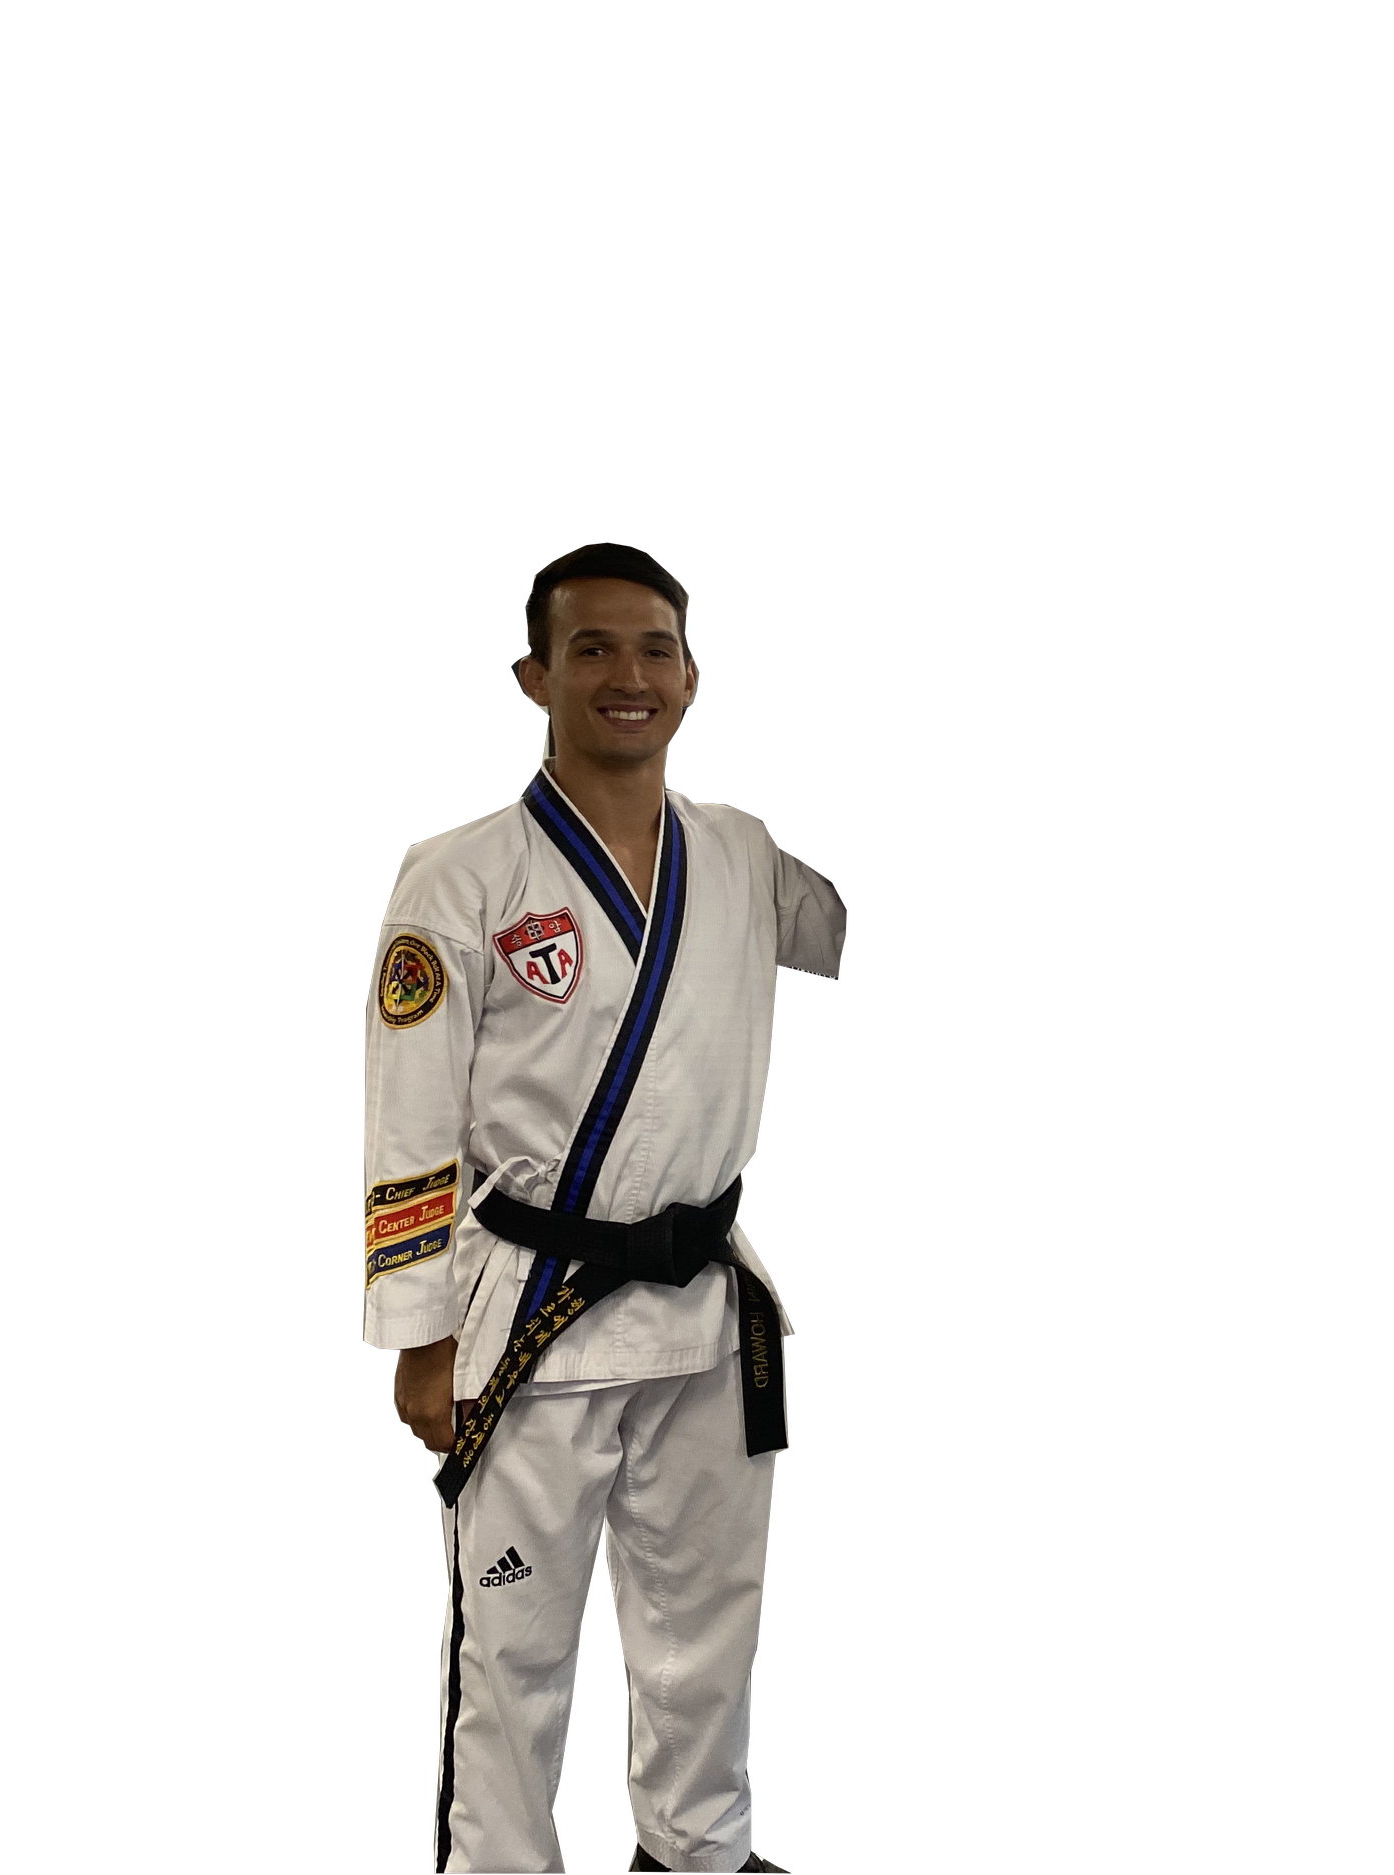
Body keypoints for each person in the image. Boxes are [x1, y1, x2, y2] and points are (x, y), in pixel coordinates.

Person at [366, 542, 841, 1874]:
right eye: (590, 649)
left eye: (652, 650)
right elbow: (406, 1115)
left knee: (709, 1617)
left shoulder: (740, 853)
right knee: (513, 1646)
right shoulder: (456, 874)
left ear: (690, 679)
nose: (625, 675)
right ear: (537, 678)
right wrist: (416, 1330)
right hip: (527, 1313)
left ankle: (699, 1847)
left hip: (705, 1297)